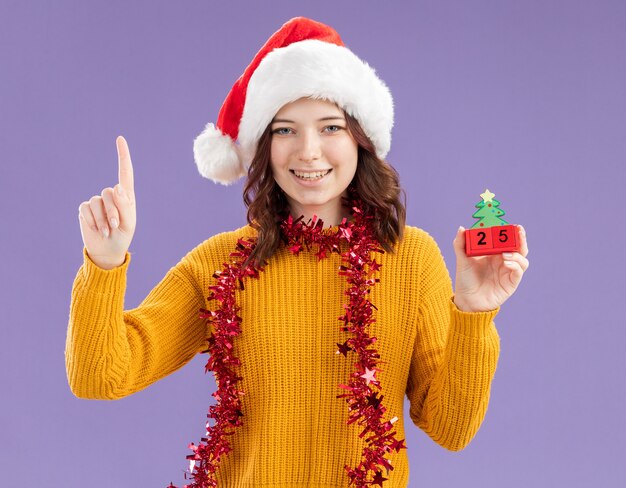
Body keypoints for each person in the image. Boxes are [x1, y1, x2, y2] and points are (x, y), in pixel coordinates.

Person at [66, 16, 529, 488]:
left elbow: (451, 430)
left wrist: (475, 311)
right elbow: (100, 376)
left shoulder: (411, 258)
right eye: (286, 130)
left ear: (360, 139)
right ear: (263, 146)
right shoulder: (220, 265)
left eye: (330, 127)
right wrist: (104, 262)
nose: (308, 152)